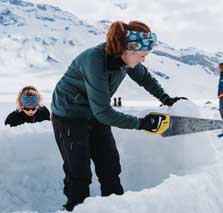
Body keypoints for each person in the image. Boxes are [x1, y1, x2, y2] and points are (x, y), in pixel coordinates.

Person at [51, 20, 185, 211]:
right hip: (69, 114)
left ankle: (116, 208)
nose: (143, 60)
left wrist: (165, 98)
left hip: (95, 112)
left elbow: (144, 78)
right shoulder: (94, 61)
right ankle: (75, 207)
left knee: (110, 165)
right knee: (79, 172)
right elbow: (104, 112)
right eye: (142, 56)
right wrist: (141, 124)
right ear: (129, 49)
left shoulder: (125, 61)